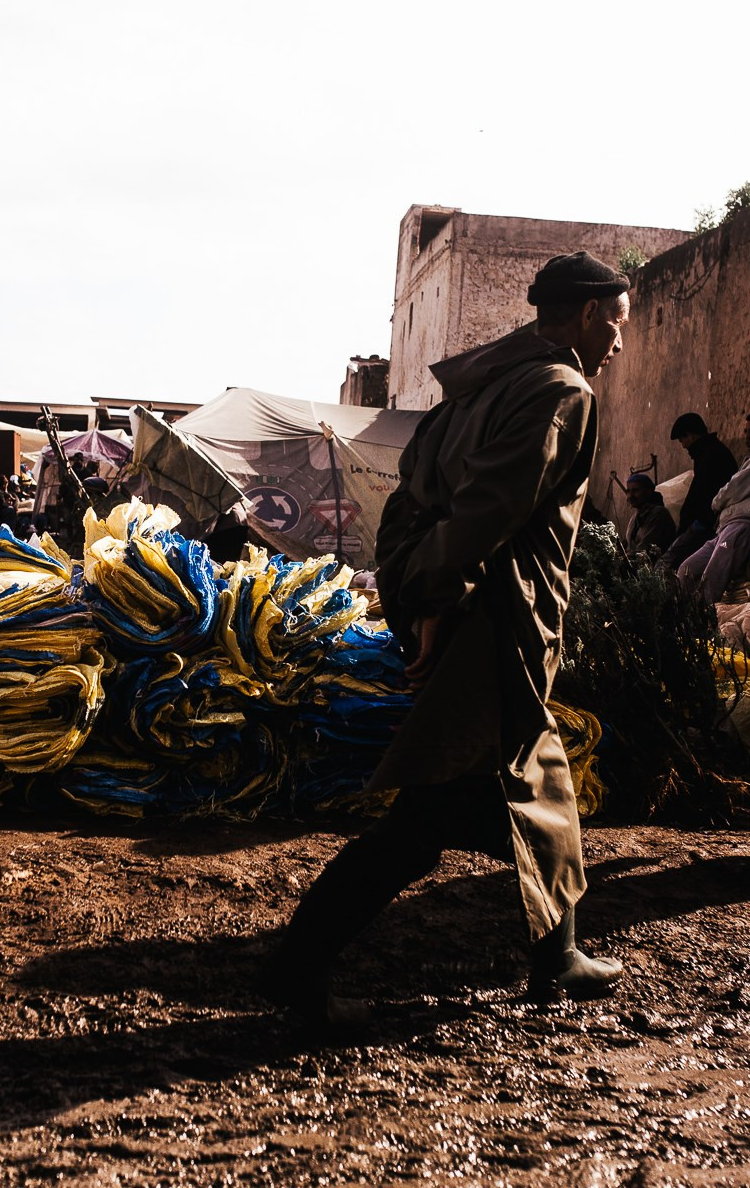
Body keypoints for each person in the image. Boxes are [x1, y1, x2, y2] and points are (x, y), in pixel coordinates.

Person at [262, 251, 630, 1025]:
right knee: (426, 819)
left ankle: (557, 955)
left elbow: (410, 511)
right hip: (497, 623)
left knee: (540, 789)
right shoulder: (561, 390)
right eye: (618, 326)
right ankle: (296, 967)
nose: (619, 345)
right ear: (592, 314)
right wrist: (439, 597)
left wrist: (419, 595)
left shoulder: (472, 394)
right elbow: (486, 514)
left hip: (464, 612)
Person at [675, 411, 750, 604]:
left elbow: (736, 487)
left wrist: (716, 503)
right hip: (727, 527)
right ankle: (681, 618)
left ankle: (700, 625)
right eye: (745, 431)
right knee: (686, 570)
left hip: (745, 525)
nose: (747, 436)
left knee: (711, 581)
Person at [660, 414, 737, 570]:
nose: (683, 446)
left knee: (668, 562)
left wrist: (695, 523)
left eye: (682, 440)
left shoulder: (711, 455)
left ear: (692, 435)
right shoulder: (708, 452)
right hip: (703, 522)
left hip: (704, 523)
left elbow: (703, 494)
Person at [623, 471, 675, 557]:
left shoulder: (659, 514)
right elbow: (627, 544)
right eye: (628, 491)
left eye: (636, 490)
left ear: (648, 491)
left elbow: (644, 550)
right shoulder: (635, 517)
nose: (630, 495)